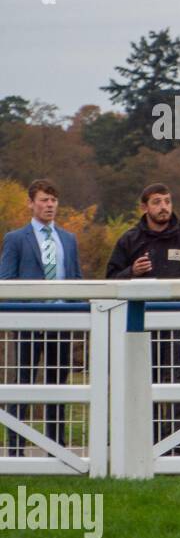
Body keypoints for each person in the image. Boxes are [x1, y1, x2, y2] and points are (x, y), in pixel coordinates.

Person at [106, 183, 180, 456]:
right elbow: (109, 282)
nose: (163, 207)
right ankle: (145, 449)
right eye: (156, 202)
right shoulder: (129, 240)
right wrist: (131, 271)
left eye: (167, 200)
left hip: (179, 324)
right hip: (141, 326)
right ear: (144, 207)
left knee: (177, 383)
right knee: (143, 382)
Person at [0, 180, 83, 457]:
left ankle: (56, 448)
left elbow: (77, 281)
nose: (50, 205)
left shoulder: (68, 239)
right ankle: (15, 448)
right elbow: (7, 280)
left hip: (62, 321)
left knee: (58, 384)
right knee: (22, 383)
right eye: (44, 200)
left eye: (53, 200)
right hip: (27, 322)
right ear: (31, 203)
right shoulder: (16, 238)